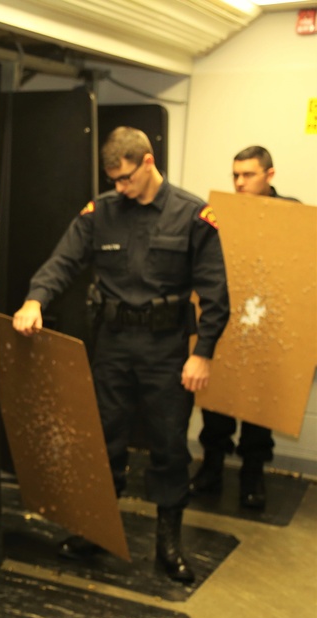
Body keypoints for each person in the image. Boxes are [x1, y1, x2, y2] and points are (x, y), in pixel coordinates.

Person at [12, 126, 230, 584]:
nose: (119, 188)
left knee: (169, 446)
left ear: (148, 163)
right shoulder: (101, 212)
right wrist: (35, 299)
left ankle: (168, 544)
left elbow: (216, 294)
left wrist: (203, 353)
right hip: (112, 344)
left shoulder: (192, 215)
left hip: (166, 349)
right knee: (103, 438)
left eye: (126, 178)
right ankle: (96, 530)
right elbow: (63, 261)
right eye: (113, 179)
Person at [191, 146, 301, 510]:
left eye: (248, 175)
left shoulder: (292, 214)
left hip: (270, 319)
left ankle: (252, 473)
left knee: (260, 402)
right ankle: (211, 467)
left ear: (269, 175)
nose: (239, 182)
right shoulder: (220, 214)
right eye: (235, 175)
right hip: (227, 315)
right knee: (218, 397)